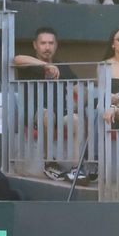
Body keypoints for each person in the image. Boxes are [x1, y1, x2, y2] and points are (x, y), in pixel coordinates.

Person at [12, 26, 80, 179]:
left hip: (60, 114)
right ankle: (49, 162)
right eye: (43, 43)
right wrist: (45, 65)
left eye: (51, 43)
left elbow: (80, 90)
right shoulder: (29, 66)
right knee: (47, 114)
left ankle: (76, 168)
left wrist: (83, 101)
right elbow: (17, 59)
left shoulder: (63, 67)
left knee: (76, 120)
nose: (47, 47)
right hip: (35, 114)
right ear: (35, 45)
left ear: (56, 45)